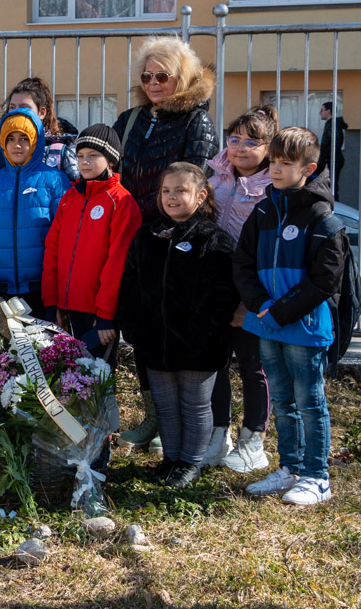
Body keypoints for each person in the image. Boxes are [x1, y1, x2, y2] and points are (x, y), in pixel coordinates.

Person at [112, 35, 218, 452]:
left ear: (182, 77)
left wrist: (152, 212)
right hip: (133, 235)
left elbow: (193, 180)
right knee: (141, 325)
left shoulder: (197, 122)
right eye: (147, 76)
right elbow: (111, 168)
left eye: (163, 76)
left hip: (173, 238)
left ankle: (180, 423)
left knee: (171, 326)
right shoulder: (131, 118)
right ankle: (153, 415)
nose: (154, 84)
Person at [235, 127, 348, 506]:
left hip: (304, 327)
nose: (276, 170)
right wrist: (258, 303)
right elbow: (242, 262)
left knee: (309, 401)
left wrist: (281, 310)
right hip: (266, 322)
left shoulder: (322, 218)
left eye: (286, 163)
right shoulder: (263, 211)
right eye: (273, 162)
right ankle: (290, 467)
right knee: (282, 399)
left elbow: (326, 279)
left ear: (308, 168)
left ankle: (317, 476)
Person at [118, 163, 239, 488]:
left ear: (200, 196)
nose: (171, 197)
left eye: (180, 191)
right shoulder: (147, 235)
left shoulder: (213, 239)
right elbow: (130, 285)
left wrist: (201, 335)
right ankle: (171, 460)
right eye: (166, 191)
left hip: (199, 347)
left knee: (195, 405)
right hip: (154, 343)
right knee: (166, 406)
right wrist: (135, 329)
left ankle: (190, 463)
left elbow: (222, 295)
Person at [203, 107, 279, 472]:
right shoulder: (216, 177)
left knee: (252, 365)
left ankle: (253, 439)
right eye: (235, 139)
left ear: (268, 148)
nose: (241, 148)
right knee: (215, 362)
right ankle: (219, 434)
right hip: (215, 287)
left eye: (252, 142)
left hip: (252, 290)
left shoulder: (272, 188)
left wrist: (251, 301)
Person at [42, 123, 141, 361]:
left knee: (97, 377)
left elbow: (118, 263)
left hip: (98, 315)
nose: (84, 162)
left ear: (111, 161)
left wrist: (106, 314)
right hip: (66, 309)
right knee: (66, 375)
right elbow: (52, 250)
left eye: (93, 155)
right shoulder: (69, 198)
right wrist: (51, 303)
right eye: (80, 155)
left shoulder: (121, 202)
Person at [0, 107, 70, 319]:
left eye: (24, 138)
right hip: (1, 289)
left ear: (35, 141)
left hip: (41, 289)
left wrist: (60, 289)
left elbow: (65, 239)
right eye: (11, 139)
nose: (17, 145)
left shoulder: (54, 180)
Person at [0, 77, 80, 183]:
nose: (17, 112)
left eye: (24, 107)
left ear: (42, 112)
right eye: (12, 107)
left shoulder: (59, 154)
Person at [316, 101, 348, 201]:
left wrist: (323, 158)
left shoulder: (333, 125)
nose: (320, 113)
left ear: (328, 111)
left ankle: (334, 206)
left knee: (331, 187)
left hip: (332, 160)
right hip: (330, 159)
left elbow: (334, 143)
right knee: (328, 186)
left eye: (322, 110)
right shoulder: (331, 124)